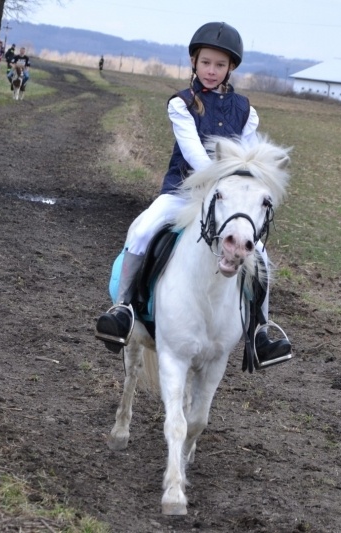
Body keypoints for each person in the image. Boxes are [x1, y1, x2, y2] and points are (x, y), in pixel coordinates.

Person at [94, 22, 292, 368]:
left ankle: (261, 331)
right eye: (205, 63)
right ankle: (123, 309)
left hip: (227, 203)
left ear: (230, 67)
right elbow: (195, 156)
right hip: (182, 193)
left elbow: (246, 159)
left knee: (259, 255)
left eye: (219, 65)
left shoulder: (247, 112)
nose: (212, 71)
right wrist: (224, 178)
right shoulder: (181, 104)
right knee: (142, 231)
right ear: (193, 62)